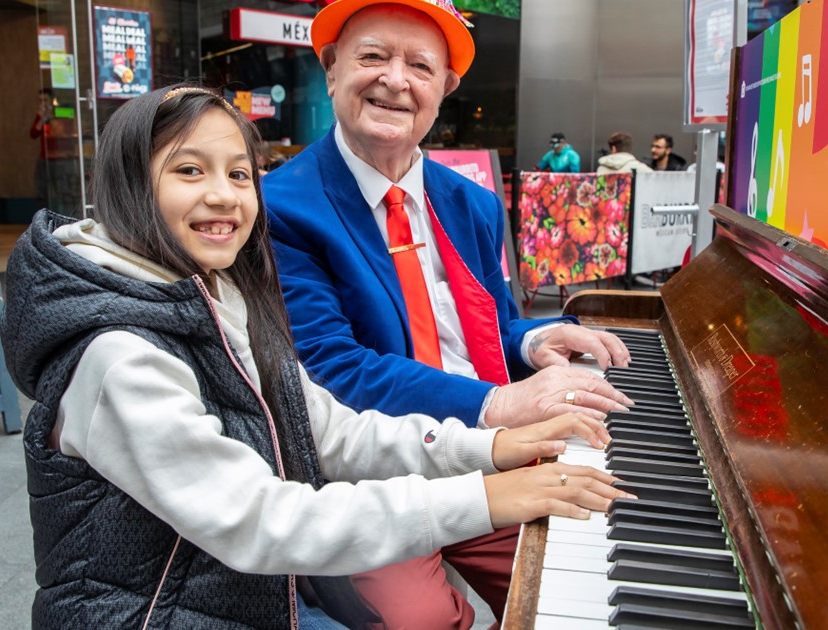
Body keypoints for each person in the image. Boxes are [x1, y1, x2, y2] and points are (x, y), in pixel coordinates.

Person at [1, 84, 627, 629]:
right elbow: (261, 516)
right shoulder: (121, 355)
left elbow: (326, 425)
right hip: (161, 611)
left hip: (243, 585)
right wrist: (492, 481)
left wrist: (489, 449)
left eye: (239, 174)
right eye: (189, 171)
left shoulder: (215, 295)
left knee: (573, 563)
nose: (223, 196)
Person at [262, 2, 634, 627]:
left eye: (419, 66)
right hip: (367, 476)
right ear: (330, 70)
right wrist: (498, 404)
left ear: (444, 89)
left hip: (485, 453)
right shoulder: (279, 207)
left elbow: (482, 325)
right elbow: (329, 369)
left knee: (591, 567)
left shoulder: (473, 204)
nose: (395, 80)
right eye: (373, 56)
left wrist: (533, 340)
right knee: (423, 622)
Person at [30, 89, 54, 208]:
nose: (43, 103)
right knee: (42, 188)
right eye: (40, 100)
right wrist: (41, 118)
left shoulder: (59, 112)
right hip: (45, 156)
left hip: (59, 157)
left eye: (45, 100)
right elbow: (33, 134)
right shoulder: (41, 116)